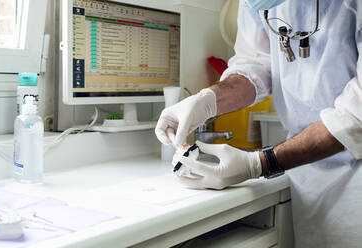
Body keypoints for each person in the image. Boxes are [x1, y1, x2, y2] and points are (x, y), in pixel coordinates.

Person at [155, 0, 362, 247]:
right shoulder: (260, 2)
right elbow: (255, 64)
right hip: (306, 171)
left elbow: (355, 116)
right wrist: (208, 100)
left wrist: (259, 163)